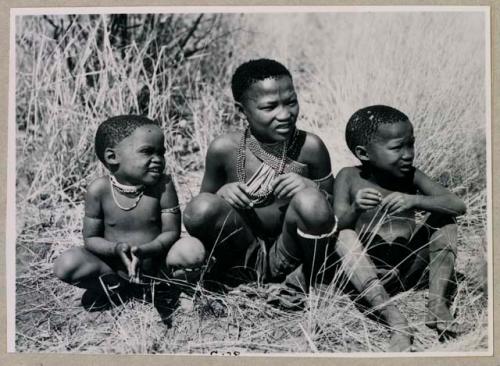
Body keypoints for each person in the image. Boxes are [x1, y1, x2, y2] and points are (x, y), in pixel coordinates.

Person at [184, 60, 412, 351]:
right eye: (269, 107)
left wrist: (311, 187)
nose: (285, 114)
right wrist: (223, 193)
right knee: (200, 208)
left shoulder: (311, 148)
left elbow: (333, 217)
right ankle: (232, 278)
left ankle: (311, 283)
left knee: (310, 201)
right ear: (241, 111)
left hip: (293, 255)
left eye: (291, 102)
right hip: (243, 253)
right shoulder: (224, 150)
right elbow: (201, 210)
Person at [53, 115, 205, 320]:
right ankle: (115, 289)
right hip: (116, 269)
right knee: (67, 263)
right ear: (112, 157)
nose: (158, 159)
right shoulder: (99, 190)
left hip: (158, 270)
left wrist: (144, 251)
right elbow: (90, 239)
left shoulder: (163, 186)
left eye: (161, 153)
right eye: (147, 152)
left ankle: (170, 289)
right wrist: (116, 249)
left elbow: (171, 232)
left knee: (192, 250)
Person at [334, 105, 466, 338]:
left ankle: (438, 302)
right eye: (396, 148)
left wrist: (414, 200)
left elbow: (457, 205)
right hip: (365, 275)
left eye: (410, 144)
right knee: (345, 237)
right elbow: (337, 227)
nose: (408, 154)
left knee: (445, 218)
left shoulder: (411, 176)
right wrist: (355, 208)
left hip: (407, 271)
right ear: (363, 153)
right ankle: (392, 315)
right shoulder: (348, 177)